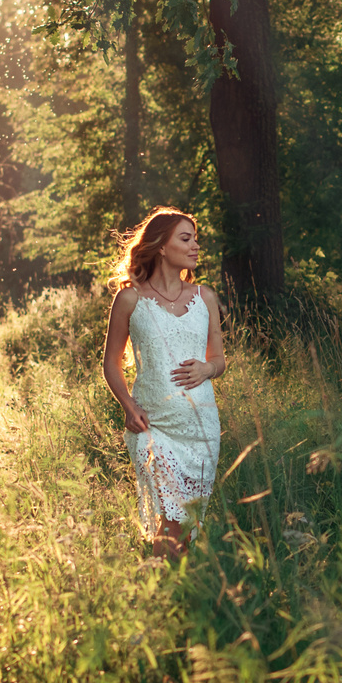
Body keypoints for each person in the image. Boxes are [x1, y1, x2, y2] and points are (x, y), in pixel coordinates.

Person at [101, 208, 225, 558]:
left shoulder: (205, 297)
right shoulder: (131, 299)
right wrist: (129, 406)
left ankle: (170, 595)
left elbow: (219, 360)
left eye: (196, 239)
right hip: (153, 425)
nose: (195, 246)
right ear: (160, 246)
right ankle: (156, 590)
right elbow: (110, 363)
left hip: (201, 427)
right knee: (171, 521)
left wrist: (206, 370)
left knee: (184, 525)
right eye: (185, 239)